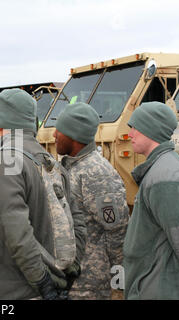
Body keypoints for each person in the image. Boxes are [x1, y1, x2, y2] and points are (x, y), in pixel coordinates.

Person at [0, 89, 86, 300]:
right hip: (49, 286)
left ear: (0, 122)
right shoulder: (51, 163)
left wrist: (42, 281)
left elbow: (15, 231)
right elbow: (77, 223)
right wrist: (68, 274)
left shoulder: (1, 162)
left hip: (10, 292)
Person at [53, 102, 129, 300]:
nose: (54, 135)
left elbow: (117, 231)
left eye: (59, 131)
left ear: (74, 135)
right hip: (69, 279)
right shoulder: (69, 167)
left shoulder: (96, 173)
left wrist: (118, 283)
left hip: (90, 284)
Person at [123, 101, 179, 299]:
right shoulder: (163, 168)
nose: (130, 135)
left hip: (161, 287)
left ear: (150, 130)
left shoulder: (165, 176)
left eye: (135, 128)